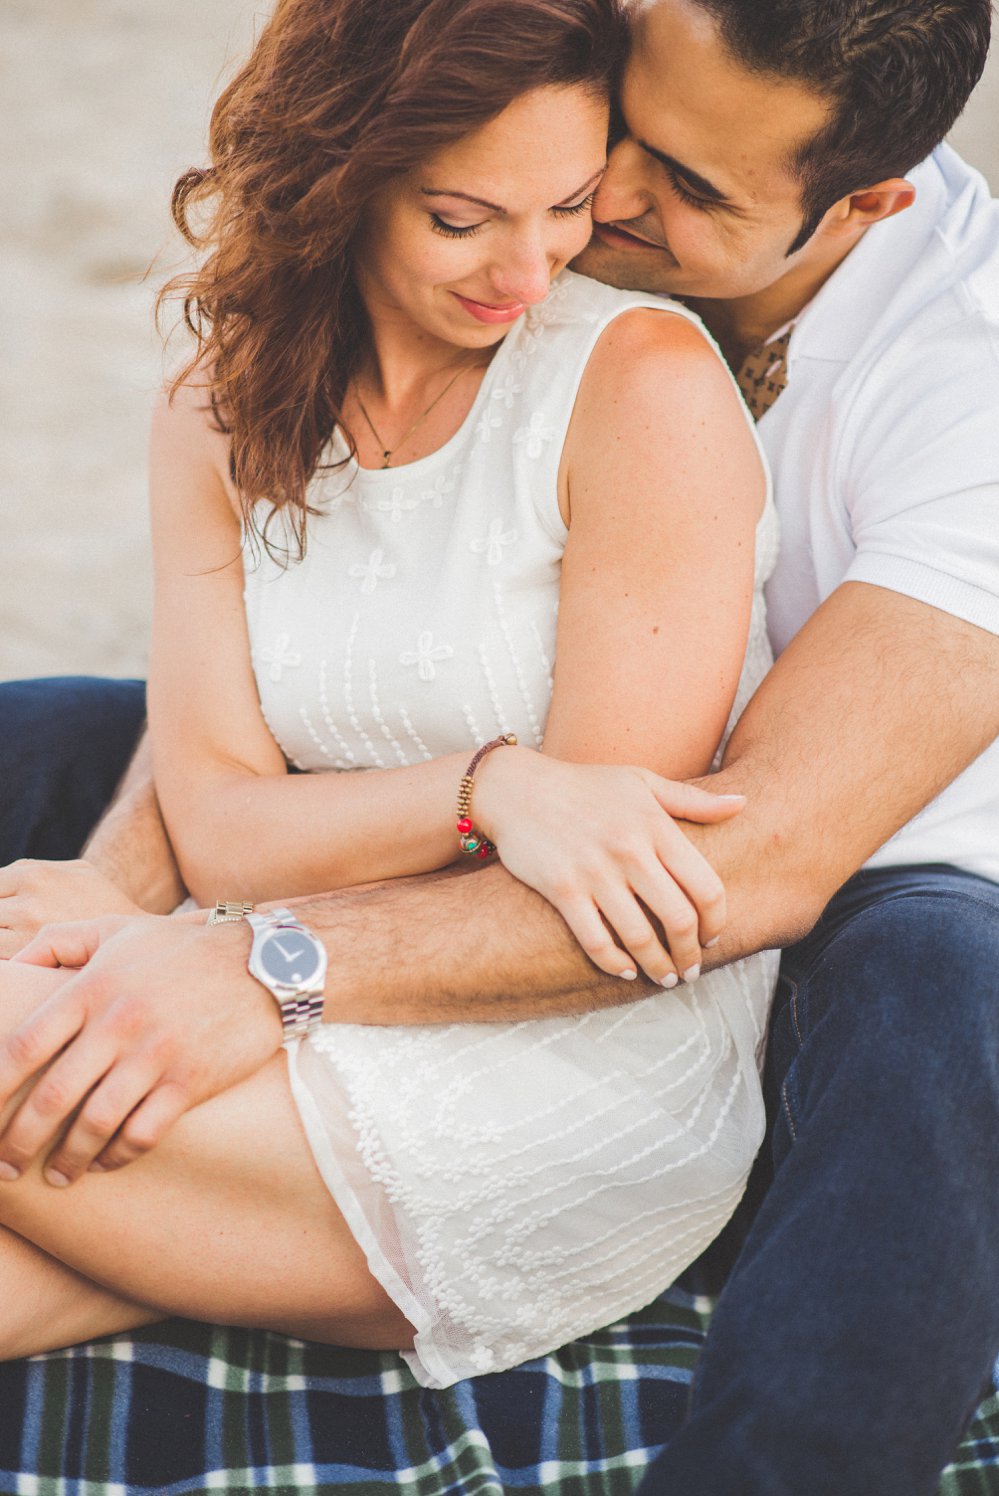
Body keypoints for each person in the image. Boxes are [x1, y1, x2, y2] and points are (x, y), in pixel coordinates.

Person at [1, 0, 997, 1488]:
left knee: (943, 995)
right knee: (47, 741)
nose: (606, 218)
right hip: (459, 813)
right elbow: (250, 727)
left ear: (860, 205)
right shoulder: (546, 167)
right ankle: (216, 1237)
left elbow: (732, 863)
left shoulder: (949, 392)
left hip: (787, 892)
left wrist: (247, 963)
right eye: (626, 149)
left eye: (691, 190)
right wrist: (127, 888)